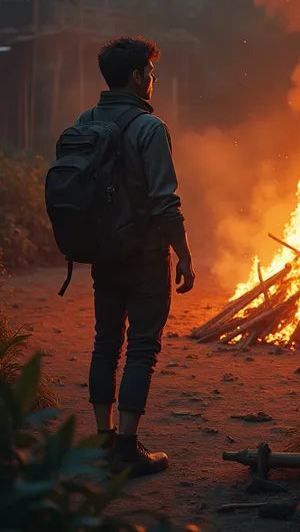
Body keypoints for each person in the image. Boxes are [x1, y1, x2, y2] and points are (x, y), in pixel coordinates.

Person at [84, 36, 195, 477]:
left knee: (105, 342)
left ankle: (102, 443)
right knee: (142, 348)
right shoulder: (150, 128)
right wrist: (184, 255)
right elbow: (164, 201)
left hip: (102, 254)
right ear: (135, 76)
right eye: (149, 72)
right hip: (146, 255)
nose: (152, 80)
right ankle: (128, 451)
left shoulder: (85, 121)